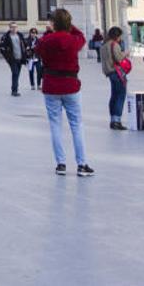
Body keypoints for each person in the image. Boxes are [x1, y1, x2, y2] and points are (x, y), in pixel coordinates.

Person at [36, 9, 95, 177]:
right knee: (76, 125)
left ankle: (60, 163)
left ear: (53, 23)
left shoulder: (46, 40)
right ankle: (82, 164)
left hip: (51, 85)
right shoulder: (73, 39)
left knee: (55, 124)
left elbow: (38, 49)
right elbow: (82, 36)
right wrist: (68, 26)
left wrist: (50, 32)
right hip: (70, 85)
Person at [100, 26, 129, 130]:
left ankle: (113, 119)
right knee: (120, 96)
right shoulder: (114, 44)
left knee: (114, 95)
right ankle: (117, 120)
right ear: (117, 36)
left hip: (109, 73)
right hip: (116, 72)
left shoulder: (104, 45)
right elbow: (119, 58)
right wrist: (125, 54)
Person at [0, 22, 28, 96]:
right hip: (12, 59)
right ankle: (14, 90)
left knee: (17, 74)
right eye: (12, 27)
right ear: (10, 28)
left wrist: (26, 55)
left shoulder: (20, 35)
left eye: (15, 27)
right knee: (15, 73)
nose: (14, 28)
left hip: (20, 58)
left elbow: (25, 44)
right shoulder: (6, 36)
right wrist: (8, 58)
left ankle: (15, 88)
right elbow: (2, 48)